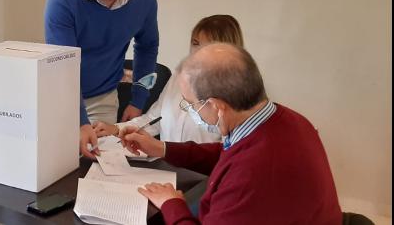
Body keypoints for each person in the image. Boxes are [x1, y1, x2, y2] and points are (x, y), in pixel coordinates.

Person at [122, 43, 342, 224]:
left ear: (217, 107)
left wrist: (172, 204)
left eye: (190, 104)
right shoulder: (287, 120)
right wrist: (162, 148)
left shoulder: (253, 174)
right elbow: (229, 154)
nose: (190, 110)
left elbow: (243, 168)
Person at [44, 0, 159, 159]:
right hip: (62, 98)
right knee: (61, 162)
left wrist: (138, 99)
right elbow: (64, 67)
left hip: (103, 96)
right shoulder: (62, 1)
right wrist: (79, 120)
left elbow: (147, 47)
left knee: (102, 162)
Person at [92, 15, 243, 143]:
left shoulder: (238, 92)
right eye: (195, 43)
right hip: (167, 164)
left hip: (204, 171)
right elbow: (154, 119)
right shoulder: (180, 77)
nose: (197, 51)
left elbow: (229, 151)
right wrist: (117, 129)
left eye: (208, 45)